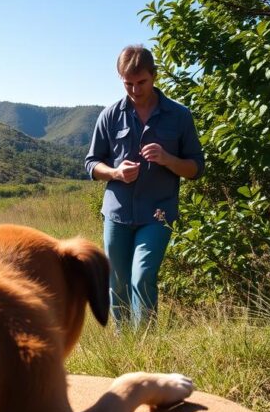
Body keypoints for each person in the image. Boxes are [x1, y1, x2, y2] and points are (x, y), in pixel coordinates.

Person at [85, 44, 204, 327]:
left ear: (154, 76)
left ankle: (145, 346)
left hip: (158, 214)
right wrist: (115, 173)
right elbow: (91, 164)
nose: (135, 90)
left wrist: (167, 159)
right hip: (117, 214)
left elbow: (196, 168)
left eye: (142, 82)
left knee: (143, 276)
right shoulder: (110, 115)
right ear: (120, 79)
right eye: (128, 83)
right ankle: (124, 344)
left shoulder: (179, 115)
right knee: (118, 282)